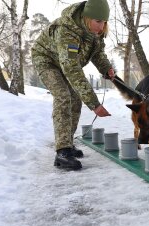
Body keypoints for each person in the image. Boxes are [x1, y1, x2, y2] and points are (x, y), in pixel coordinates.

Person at [31, 0, 114, 170]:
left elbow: (98, 53)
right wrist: (94, 103)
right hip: (47, 61)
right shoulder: (67, 30)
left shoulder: (95, 31)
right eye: (98, 21)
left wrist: (106, 68)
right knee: (63, 95)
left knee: (75, 98)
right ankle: (62, 152)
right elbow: (71, 68)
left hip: (66, 63)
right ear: (86, 17)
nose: (101, 26)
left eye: (104, 21)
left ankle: (67, 143)